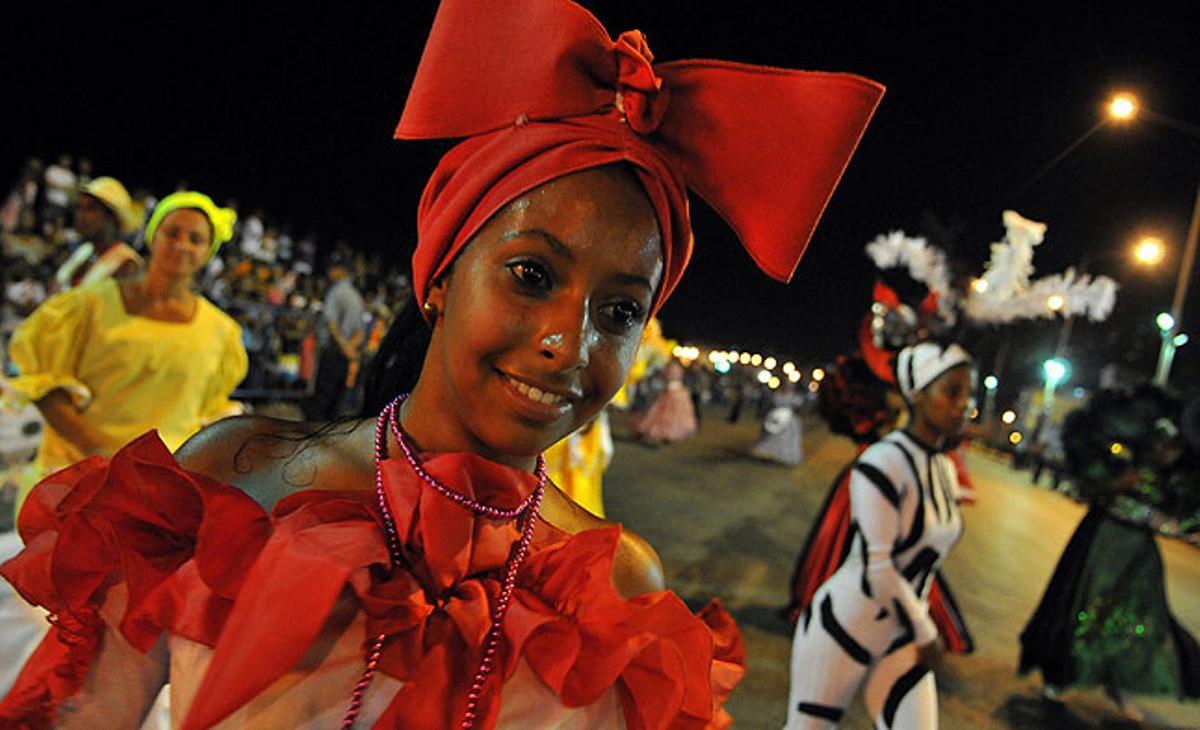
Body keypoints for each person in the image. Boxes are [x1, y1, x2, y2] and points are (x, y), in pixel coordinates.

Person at [0, 0, 883, 726]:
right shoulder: (239, 483)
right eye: (531, 275)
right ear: (440, 275)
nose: (567, 344)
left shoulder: (614, 590)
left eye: (619, 311)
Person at [785, 341, 974, 729]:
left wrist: (919, 628)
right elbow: (879, 566)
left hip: (900, 631)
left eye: (968, 393)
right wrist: (925, 631)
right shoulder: (882, 461)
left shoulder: (944, 469)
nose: (963, 405)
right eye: (951, 392)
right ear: (918, 396)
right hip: (845, 626)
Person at [6, 190, 247, 483]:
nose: (181, 245)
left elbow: (208, 414)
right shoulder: (87, 306)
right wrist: (106, 457)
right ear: (152, 236)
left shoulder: (221, 333)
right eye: (172, 232)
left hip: (162, 489)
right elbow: (45, 386)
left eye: (195, 239)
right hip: (80, 482)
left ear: (208, 251)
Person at [1019, 386, 1200, 720]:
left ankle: (1120, 684)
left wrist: (1168, 520)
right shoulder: (1120, 456)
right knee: (1077, 610)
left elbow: (1174, 516)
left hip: (1139, 554)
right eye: (1164, 444)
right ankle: (1058, 678)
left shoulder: (1176, 476)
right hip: (1099, 543)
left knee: (1137, 622)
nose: (1167, 451)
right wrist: (1120, 483)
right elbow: (1087, 489)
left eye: (1174, 448)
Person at [54, 176, 144, 289]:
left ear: (112, 217)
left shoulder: (128, 264)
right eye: (79, 208)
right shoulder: (86, 251)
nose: (80, 215)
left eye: (90, 208)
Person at [304, 253, 366, 419]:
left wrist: (343, 345)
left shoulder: (336, 292)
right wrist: (350, 348)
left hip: (333, 352)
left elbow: (330, 322)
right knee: (336, 404)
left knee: (321, 402)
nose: (329, 271)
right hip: (345, 355)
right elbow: (360, 330)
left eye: (333, 268)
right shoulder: (356, 296)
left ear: (341, 271)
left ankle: (312, 440)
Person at [632, 359, 698, 444]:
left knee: (665, 412)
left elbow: (666, 377)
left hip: (671, 390)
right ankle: (670, 434)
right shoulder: (679, 369)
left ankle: (665, 433)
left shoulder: (669, 368)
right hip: (678, 390)